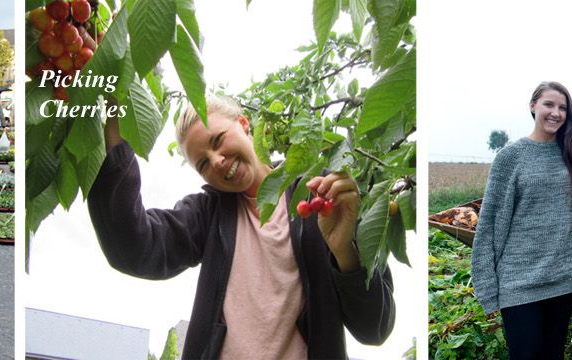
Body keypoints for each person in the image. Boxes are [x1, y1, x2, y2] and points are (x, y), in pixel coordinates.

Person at [88, 96, 394, 359]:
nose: (217, 161)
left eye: (217, 141)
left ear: (244, 124)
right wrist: (114, 111)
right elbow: (134, 247)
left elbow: (374, 329)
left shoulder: (321, 197)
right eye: (203, 164)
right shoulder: (208, 214)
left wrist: (344, 251)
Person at [471, 81, 572, 359]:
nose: (555, 113)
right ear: (533, 106)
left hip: (564, 276)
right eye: (549, 104)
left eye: (562, 108)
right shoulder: (510, 157)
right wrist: (486, 283)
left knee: (552, 353)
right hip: (518, 280)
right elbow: (489, 224)